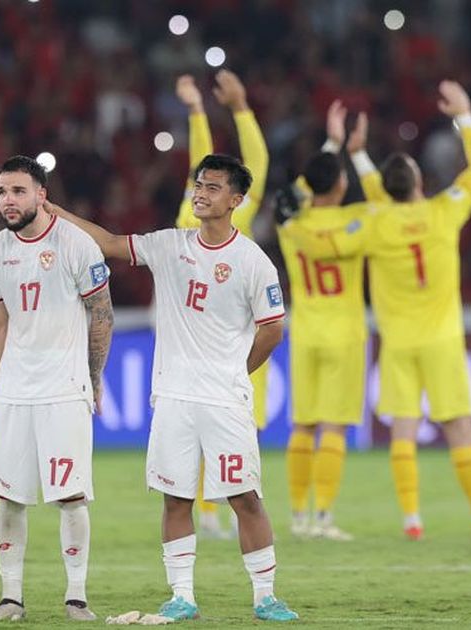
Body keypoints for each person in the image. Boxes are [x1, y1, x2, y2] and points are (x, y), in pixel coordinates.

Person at [50, 153, 299, 622]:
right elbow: (105, 242)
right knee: (176, 497)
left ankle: (265, 596)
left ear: (237, 200)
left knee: (244, 496)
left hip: (225, 400)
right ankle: (181, 595)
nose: (200, 193)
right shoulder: (169, 245)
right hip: (172, 398)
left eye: (212, 187)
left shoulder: (253, 262)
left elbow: (272, 331)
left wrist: (234, 372)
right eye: (198, 185)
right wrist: (52, 211)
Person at [353, 81, 471, 542]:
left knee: (403, 429)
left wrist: (359, 155)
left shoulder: (376, 222)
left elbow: (375, 198)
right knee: (458, 427)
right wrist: (464, 115)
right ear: (420, 183)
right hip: (442, 339)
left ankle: (412, 520)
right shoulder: (444, 211)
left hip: (398, 341)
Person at [0, 155, 114, 622]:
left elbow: (102, 314)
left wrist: (94, 380)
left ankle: (76, 596)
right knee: (9, 494)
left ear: (41, 194)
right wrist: (0, 381)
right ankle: (10, 597)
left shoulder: (77, 245)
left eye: (17, 191)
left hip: (64, 388)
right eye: (1, 192)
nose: (8, 201)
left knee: (70, 494)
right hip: (16, 391)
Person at [272, 101, 378, 541]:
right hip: (345, 335)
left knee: (303, 424)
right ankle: (323, 518)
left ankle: (297, 516)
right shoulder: (358, 220)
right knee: (333, 426)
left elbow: (291, 193)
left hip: (306, 331)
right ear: (339, 183)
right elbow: (386, 201)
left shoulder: (289, 225)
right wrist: (355, 152)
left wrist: (331, 144)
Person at [173, 70, 270, 539]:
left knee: (205, 425)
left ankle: (213, 511)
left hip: (220, 338)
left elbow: (205, 164)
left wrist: (197, 111)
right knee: (225, 423)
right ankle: (216, 512)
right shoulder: (225, 215)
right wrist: (240, 107)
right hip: (223, 339)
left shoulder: (183, 220)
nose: (204, 189)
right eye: (202, 184)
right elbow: (258, 165)